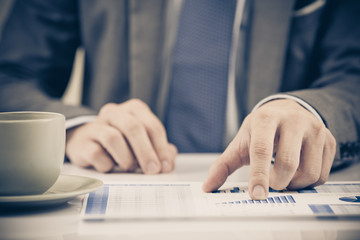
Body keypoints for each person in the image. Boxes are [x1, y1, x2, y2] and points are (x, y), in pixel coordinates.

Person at [0, 0, 359, 200]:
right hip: (120, 192)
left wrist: (311, 111)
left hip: (276, 195)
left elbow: (353, 74)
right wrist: (76, 128)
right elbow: (11, 75)